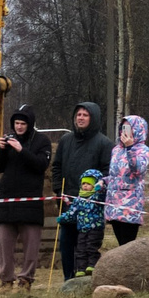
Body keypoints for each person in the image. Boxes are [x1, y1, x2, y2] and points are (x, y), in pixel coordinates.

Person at [48, 101, 113, 280]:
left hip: (91, 207)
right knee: (66, 244)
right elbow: (57, 166)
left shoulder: (104, 143)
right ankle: (68, 279)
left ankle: (85, 280)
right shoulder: (65, 140)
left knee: (86, 244)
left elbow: (108, 173)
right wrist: (57, 188)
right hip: (68, 201)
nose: (81, 118)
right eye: (78, 115)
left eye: (85, 115)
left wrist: (96, 192)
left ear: (93, 118)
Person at [0, 105, 53, 287]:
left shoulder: (42, 141)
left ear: (30, 124)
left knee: (31, 246)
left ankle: (26, 279)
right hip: (7, 201)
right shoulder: (9, 140)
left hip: (30, 202)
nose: (19, 127)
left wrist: (21, 150)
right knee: (4, 246)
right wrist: (2, 150)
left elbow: (41, 164)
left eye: (22, 123)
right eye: (16, 123)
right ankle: (6, 281)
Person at [104, 114, 149, 249]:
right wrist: (103, 181)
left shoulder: (143, 150)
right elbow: (116, 175)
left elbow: (138, 170)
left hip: (130, 206)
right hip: (114, 205)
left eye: (129, 128)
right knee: (120, 247)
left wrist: (130, 149)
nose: (125, 132)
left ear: (137, 129)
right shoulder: (116, 150)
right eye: (123, 128)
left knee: (128, 246)